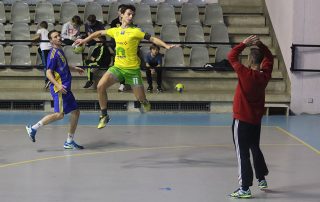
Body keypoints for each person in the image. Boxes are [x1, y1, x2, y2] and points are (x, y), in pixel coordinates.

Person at [75, 4, 175, 129]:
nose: (131, 16)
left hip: (133, 71)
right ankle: (104, 115)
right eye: (128, 14)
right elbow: (99, 32)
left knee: (140, 98)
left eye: (132, 14)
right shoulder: (115, 30)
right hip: (117, 68)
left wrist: (166, 46)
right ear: (121, 15)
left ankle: (144, 101)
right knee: (100, 86)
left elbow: (152, 39)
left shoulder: (136, 31)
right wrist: (84, 40)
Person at [227, 35, 273, 198]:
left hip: (242, 120)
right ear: (260, 62)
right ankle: (261, 178)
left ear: (248, 59)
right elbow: (269, 57)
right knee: (255, 147)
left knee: (242, 153)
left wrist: (243, 43)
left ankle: (244, 188)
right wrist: (261, 45)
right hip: (256, 120)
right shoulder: (265, 75)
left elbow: (230, 56)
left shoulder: (244, 73)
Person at [26, 30, 85, 150]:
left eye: (59, 35)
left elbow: (63, 66)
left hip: (66, 88)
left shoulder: (60, 51)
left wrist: (75, 68)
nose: (58, 38)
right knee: (59, 114)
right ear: (51, 40)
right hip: (60, 89)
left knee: (76, 112)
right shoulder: (52, 54)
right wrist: (57, 85)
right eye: (55, 37)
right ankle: (33, 128)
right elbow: (48, 73)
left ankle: (69, 141)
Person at [110, 4, 128, 92]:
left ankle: (125, 83)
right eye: (121, 11)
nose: (122, 12)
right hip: (118, 48)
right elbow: (112, 35)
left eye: (123, 11)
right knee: (118, 67)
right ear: (118, 12)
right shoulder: (114, 22)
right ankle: (122, 83)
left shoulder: (129, 22)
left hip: (127, 47)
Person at [32, 21, 51, 88]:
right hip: (49, 47)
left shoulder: (40, 30)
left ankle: (47, 80)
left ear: (40, 26)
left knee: (46, 66)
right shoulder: (48, 31)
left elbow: (38, 37)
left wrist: (31, 40)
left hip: (45, 48)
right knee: (47, 63)